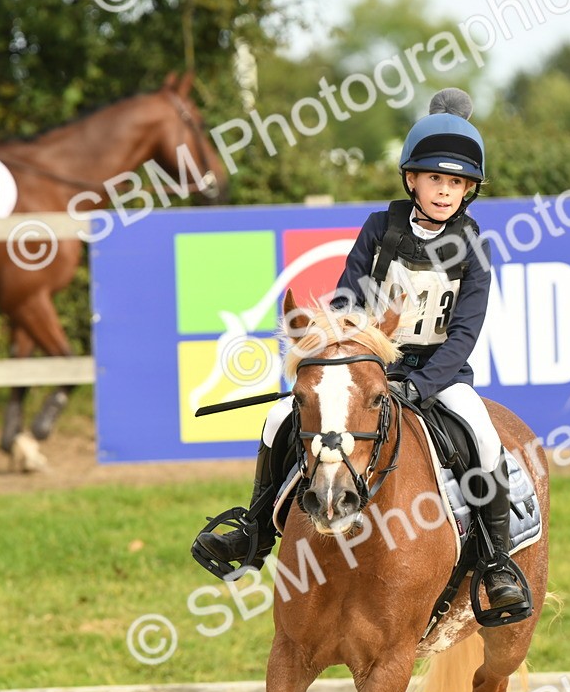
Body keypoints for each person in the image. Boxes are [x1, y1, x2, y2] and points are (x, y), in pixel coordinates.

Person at [194, 89, 530, 617]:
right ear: (411, 180)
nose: (446, 192)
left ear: (469, 191)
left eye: (457, 183)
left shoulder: (475, 247)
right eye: (436, 179)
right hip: (367, 368)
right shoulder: (380, 229)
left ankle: (496, 562)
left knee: (484, 438)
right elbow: (347, 303)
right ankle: (254, 533)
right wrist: (347, 368)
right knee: (279, 418)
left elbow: (465, 332)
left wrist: (421, 385)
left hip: (439, 376)